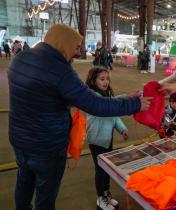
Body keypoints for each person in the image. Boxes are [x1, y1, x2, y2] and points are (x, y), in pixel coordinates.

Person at [7, 24, 152, 210]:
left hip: (19, 140)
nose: (78, 52)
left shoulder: (21, 58)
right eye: (75, 46)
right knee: (46, 192)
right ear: (63, 43)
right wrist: (135, 105)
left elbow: (43, 94)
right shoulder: (60, 70)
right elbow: (95, 104)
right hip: (47, 145)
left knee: (24, 181)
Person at [85, 67, 128, 210]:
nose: (105, 82)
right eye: (101, 79)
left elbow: (113, 114)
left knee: (107, 169)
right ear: (93, 80)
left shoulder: (107, 95)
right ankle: (100, 199)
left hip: (107, 138)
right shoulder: (92, 96)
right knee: (100, 170)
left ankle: (106, 194)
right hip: (96, 140)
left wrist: (122, 129)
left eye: (107, 79)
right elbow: (108, 107)